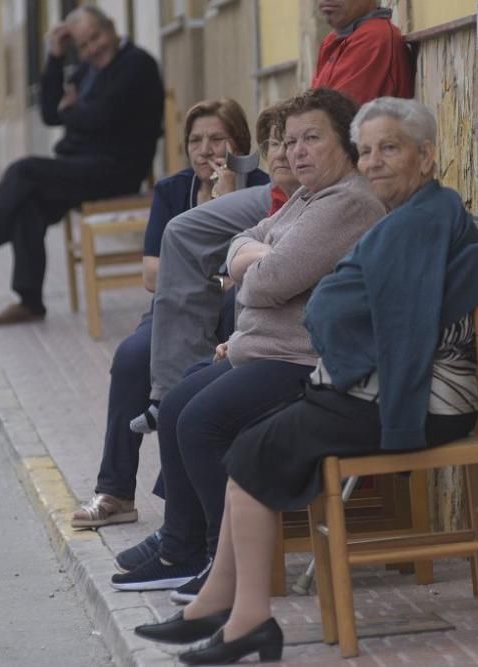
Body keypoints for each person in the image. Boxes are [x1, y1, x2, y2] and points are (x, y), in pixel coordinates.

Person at [133, 97, 478, 665]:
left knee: (246, 449)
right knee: (241, 447)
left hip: (413, 396)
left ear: (425, 157)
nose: (373, 162)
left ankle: (241, 615)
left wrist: (287, 281)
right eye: (369, 149)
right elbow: (331, 302)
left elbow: (332, 311)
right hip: (379, 383)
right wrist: (296, 281)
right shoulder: (412, 212)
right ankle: (230, 608)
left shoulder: (410, 221)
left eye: (390, 149)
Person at [109, 89, 386, 601]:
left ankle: (226, 564)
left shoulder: (347, 203)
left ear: (346, 143)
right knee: (175, 405)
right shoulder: (307, 197)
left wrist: (255, 262)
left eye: (312, 138)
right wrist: (258, 256)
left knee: (201, 422)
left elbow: (264, 283)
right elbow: (241, 242)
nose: (297, 151)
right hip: (262, 349)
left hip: (304, 362)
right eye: (290, 140)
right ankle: (180, 548)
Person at [144, 1, 414, 417]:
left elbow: (337, 138)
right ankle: (172, 384)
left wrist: (270, 235)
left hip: (306, 191)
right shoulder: (334, 42)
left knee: (186, 234)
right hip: (296, 193)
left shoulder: (373, 41)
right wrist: (267, 243)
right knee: (185, 234)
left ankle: (172, 389)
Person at [70, 98, 270, 529]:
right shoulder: (172, 190)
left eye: (217, 138)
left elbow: (253, 276)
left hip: (239, 311)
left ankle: (185, 494)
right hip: (175, 309)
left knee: (204, 367)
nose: (205, 149)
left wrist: (228, 203)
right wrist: (215, 276)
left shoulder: (263, 190)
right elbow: (151, 275)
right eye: (195, 140)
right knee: (131, 357)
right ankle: (116, 491)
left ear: (239, 144)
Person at [0, 6, 164, 327]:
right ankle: (30, 302)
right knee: (26, 201)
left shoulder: (137, 64)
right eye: (83, 45)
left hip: (116, 170)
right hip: (81, 167)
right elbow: (50, 113)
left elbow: (101, 118)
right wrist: (56, 56)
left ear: (112, 28)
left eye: (96, 38)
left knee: (23, 171)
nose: (92, 49)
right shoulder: (88, 71)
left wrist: (74, 111)